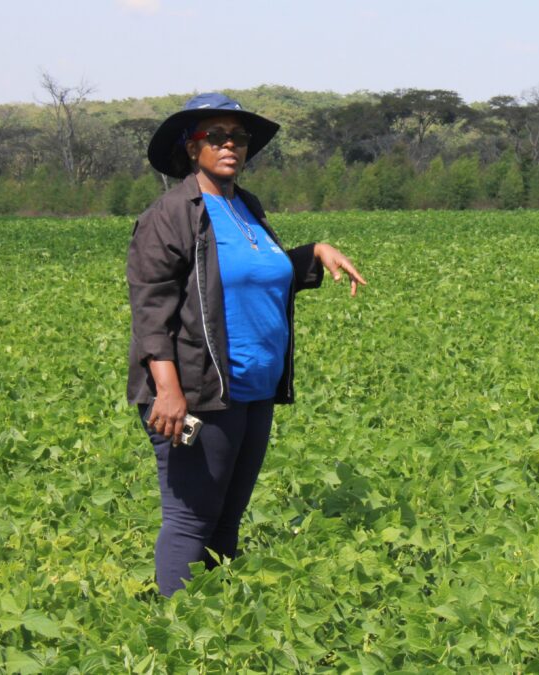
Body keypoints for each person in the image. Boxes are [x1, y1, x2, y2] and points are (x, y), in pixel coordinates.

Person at [126, 92, 366, 596]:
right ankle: (176, 631)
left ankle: (218, 625)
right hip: (198, 389)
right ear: (192, 149)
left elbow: (255, 273)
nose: (229, 145)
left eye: (238, 137)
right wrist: (168, 390)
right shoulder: (172, 214)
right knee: (192, 520)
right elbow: (152, 310)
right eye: (215, 136)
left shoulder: (244, 206)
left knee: (226, 519)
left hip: (254, 388)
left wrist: (314, 252)